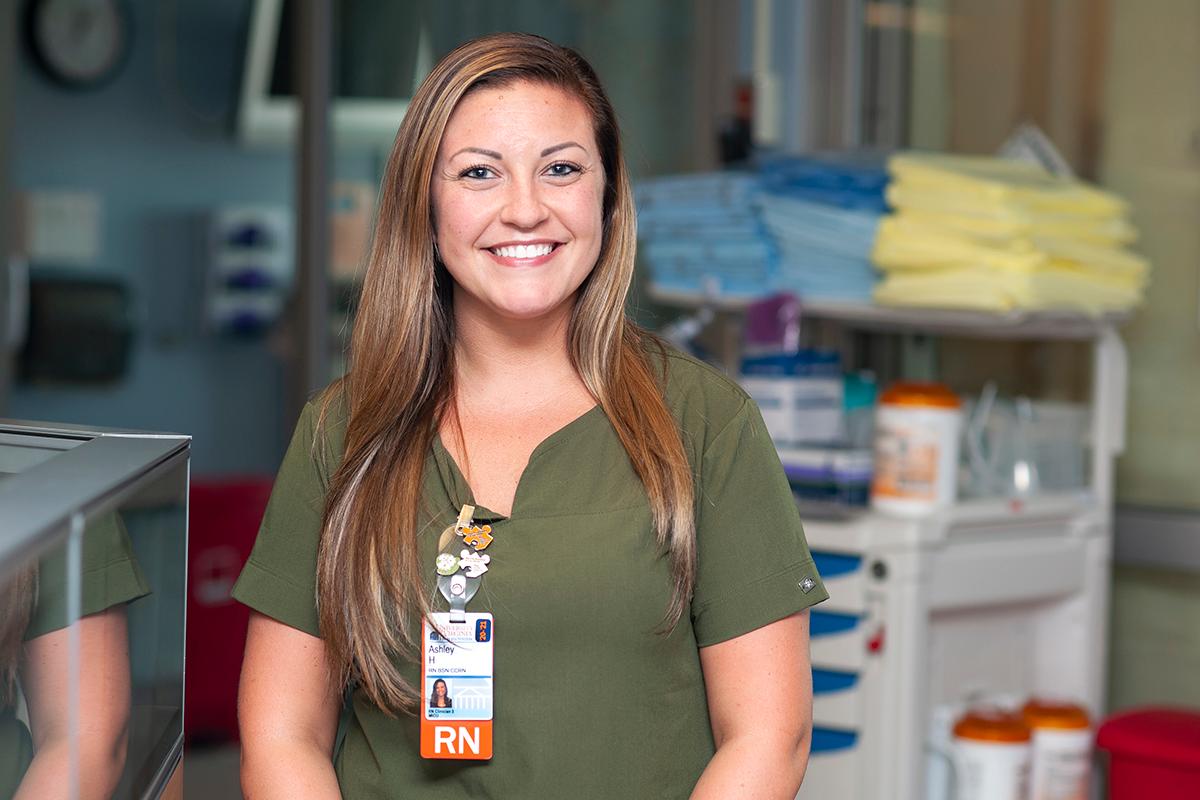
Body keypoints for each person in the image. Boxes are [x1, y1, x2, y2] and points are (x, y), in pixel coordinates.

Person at [235, 32, 828, 799]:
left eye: (561, 169)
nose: (525, 209)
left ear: (607, 197)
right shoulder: (342, 430)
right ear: (426, 203)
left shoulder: (706, 423)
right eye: (480, 172)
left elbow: (770, 738)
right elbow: (283, 736)